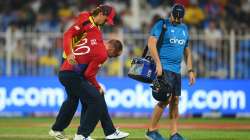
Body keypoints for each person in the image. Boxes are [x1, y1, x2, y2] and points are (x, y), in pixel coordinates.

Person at [49, 5, 129, 140]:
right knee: (86, 98)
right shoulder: (85, 18)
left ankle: (95, 132)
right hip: (70, 61)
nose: (106, 23)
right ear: (102, 14)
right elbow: (68, 34)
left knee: (82, 98)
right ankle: (84, 134)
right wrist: (69, 54)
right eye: (106, 20)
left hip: (77, 63)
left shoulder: (96, 28)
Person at [145, 4, 195, 140]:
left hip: (177, 70)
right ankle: (151, 130)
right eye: (175, 17)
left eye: (180, 18)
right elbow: (151, 43)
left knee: (175, 101)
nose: (177, 20)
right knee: (164, 99)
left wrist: (190, 70)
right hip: (164, 68)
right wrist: (158, 63)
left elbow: (187, 51)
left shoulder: (184, 29)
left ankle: (174, 133)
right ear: (171, 14)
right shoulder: (162, 24)